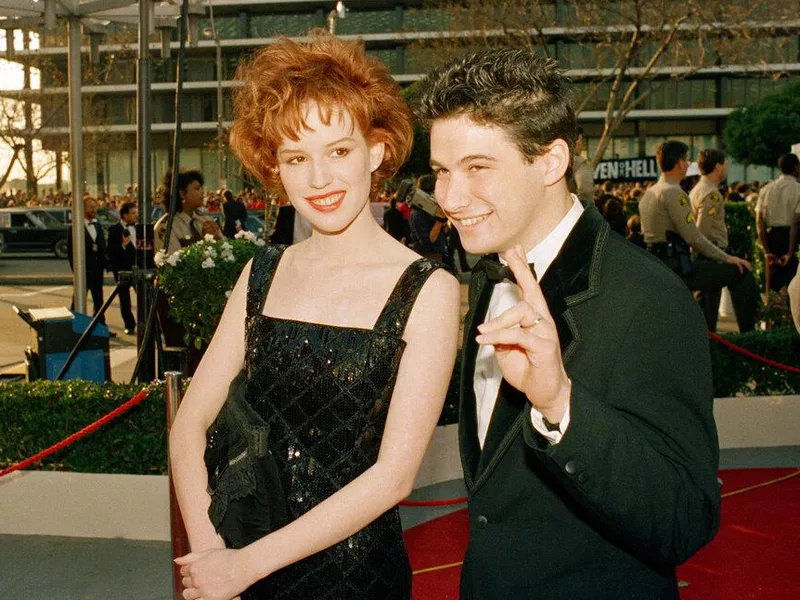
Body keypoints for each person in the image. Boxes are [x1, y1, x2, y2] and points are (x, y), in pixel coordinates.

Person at [418, 48, 720, 598]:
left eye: (478, 167)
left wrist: (559, 403)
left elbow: (685, 518)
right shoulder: (491, 273)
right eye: (441, 170)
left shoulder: (648, 297)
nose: (449, 198)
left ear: (551, 162)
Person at [170, 33, 459, 600]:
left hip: (354, 576)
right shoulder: (261, 271)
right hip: (240, 558)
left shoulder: (429, 290)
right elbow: (188, 425)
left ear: (376, 151)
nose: (320, 179)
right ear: (275, 168)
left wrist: (246, 565)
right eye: (296, 157)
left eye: (339, 151)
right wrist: (212, 554)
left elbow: (394, 476)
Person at [640, 141, 760, 332]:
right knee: (740, 271)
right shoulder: (673, 193)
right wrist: (728, 257)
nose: (688, 165)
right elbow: (694, 237)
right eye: (686, 160)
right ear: (679, 162)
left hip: (659, 263)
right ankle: (751, 336)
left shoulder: (650, 192)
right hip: (676, 267)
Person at [689, 149, 730, 327]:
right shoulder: (711, 193)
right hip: (710, 255)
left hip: (705, 254)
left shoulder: (698, 189)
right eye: (726, 164)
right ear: (718, 167)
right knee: (708, 312)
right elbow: (701, 232)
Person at [755, 153, 800, 292]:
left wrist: (766, 250)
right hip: (792, 238)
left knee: (773, 281)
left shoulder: (765, 189)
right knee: (792, 282)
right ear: (796, 167)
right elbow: (796, 223)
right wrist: (790, 252)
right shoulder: (798, 189)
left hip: (772, 237)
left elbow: (759, 222)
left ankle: (772, 311)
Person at [153, 169, 222, 255]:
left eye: (201, 188)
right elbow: (174, 262)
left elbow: (225, 251)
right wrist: (205, 243)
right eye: (197, 189)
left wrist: (216, 238)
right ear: (182, 193)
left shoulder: (206, 219)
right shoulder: (166, 227)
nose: (202, 192)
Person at [67, 196, 110, 329]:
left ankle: (100, 327)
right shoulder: (75, 228)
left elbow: (102, 246)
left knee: (99, 301)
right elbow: (71, 252)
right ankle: (73, 327)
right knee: (78, 300)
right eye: (91, 207)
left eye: (95, 206)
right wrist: (76, 271)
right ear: (83, 209)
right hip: (83, 271)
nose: (94, 209)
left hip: (97, 270)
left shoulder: (97, 225)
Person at [106, 201, 138, 334]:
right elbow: (110, 251)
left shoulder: (139, 227)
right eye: (132, 213)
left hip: (137, 267)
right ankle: (129, 325)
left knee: (144, 297)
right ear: (124, 215)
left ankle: (149, 323)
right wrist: (123, 246)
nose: (135, 216)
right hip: (122, 268)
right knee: (125, 299)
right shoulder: (114, 230)